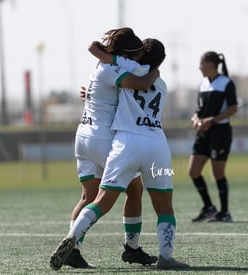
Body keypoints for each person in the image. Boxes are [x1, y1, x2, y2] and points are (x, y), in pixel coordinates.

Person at [50, 38, 190, 270]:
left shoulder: (125, 75)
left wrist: (91, 93)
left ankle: (73, 238)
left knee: (101, 200)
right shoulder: (161, 84)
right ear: (161, 60)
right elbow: (144, 83)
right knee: (164, 206)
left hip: (125, 144)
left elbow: (114, 84)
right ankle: (165, 258)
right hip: (157, 145)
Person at [63, 27, 158, 269]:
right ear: (127, 54)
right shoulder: (116, 68)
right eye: (136, 54)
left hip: (83, 135)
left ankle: (72, 250)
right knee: (135, 189)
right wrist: (155, 71)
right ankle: (132, 248)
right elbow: (142, 83)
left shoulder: (101, 66)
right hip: (102, 139)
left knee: (88, 196)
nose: (138, 58)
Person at [188, 51, 238, 223]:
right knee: (193, 171)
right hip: (203, 133)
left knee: (218, 174)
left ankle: (225, 212)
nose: (199, 67)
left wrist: (213, 120)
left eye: (201, 63)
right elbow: (198, 108)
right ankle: (209, 207)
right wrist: (195, 119)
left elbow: (233, 108)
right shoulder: (202, 84)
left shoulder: (226, 83)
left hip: (220, 133)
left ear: (210, 64)